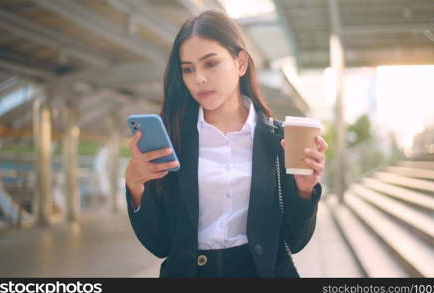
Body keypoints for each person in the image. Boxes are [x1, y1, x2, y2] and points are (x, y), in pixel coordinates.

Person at [124, 10, 328, 278]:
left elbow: (296, 240)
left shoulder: (278, 139)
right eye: (188, 69)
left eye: (210, 63)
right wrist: (135, 184)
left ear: (241, 63)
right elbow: (160, 244)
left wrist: (303, 190)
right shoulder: (173, 140)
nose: (198, 78)